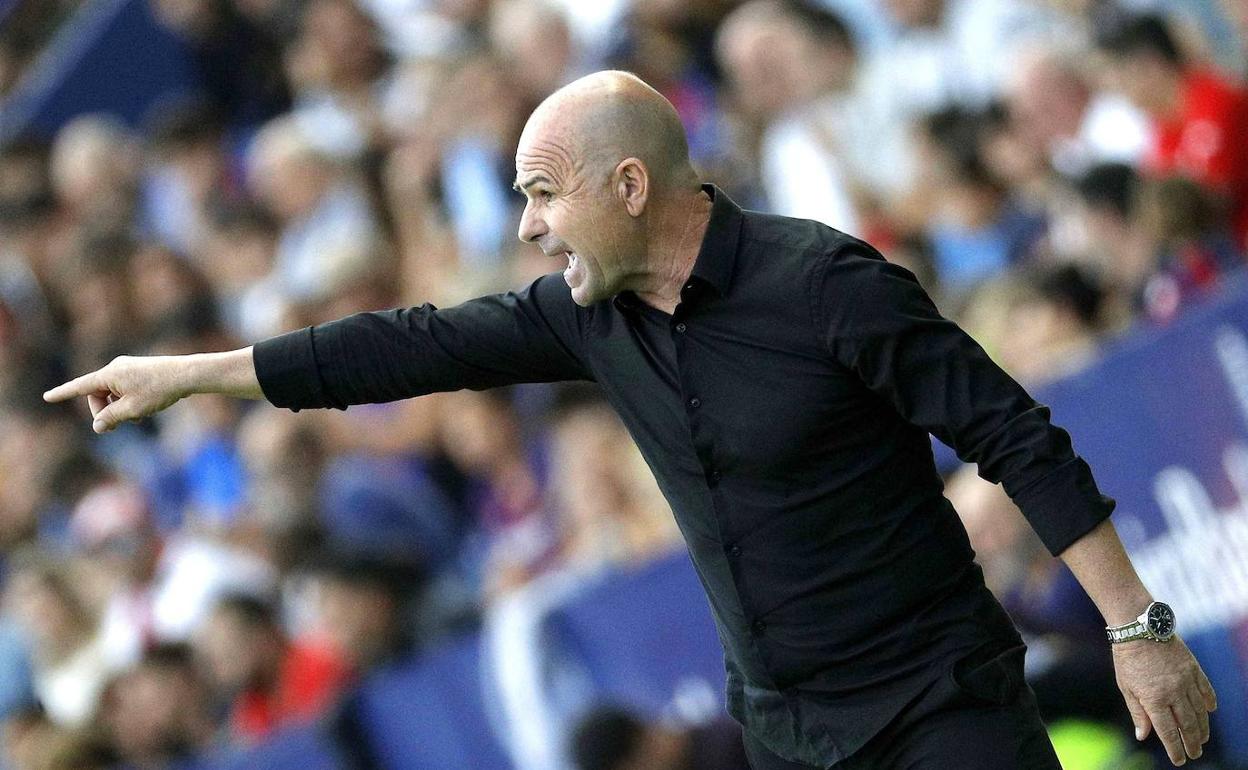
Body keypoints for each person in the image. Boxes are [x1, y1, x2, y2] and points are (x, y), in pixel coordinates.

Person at [44, 70, 1216, 769]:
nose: (529, 228)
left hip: (942, 710)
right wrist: (193, 372)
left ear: (630, 186)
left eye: (543, 194)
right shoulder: (585, 318)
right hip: (790, 735)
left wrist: (1139, 627)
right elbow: (408, 346)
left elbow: (1018, 437)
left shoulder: (827, 286)